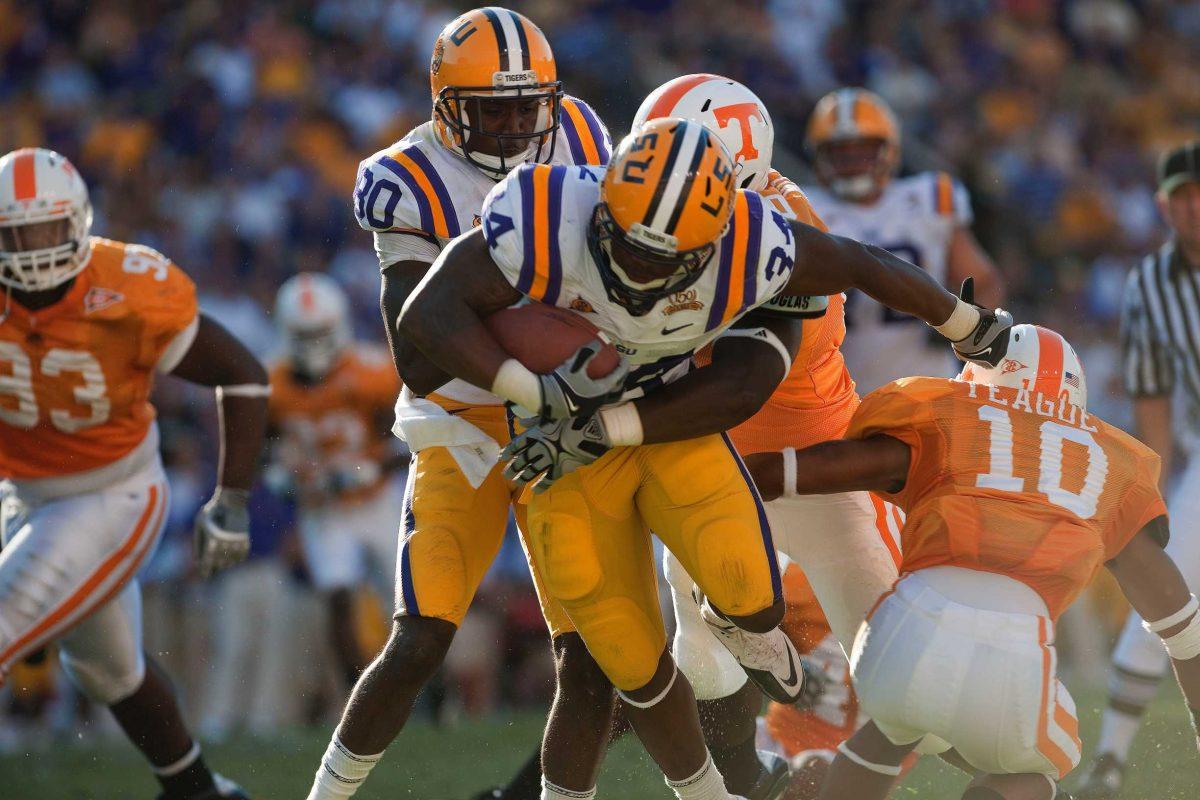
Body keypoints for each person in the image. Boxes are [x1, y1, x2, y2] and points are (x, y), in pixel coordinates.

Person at [398, 117, 1012, 800]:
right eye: (625, 245)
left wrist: (966, 323)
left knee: (853, 642)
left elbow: (754, 372)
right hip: (615, 438)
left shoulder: (762, 245)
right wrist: (529, 388)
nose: (635, 273)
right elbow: (421, 330)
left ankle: (1002, 766)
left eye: (663, 262)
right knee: (635, 651)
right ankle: (737, 778)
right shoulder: (547, 210)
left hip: (701, 431)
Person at [304, 9, 614, 800]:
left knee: (595, 653)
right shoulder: (406, 177)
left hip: (566, 420)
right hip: (464, 424)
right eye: (493, 110)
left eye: (526, 107)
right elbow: (417, 350)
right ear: (446, 105)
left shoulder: (578, 131)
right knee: (419, 639)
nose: (515, 127)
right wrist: (529, 356)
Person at [744, 325, 1200, 800]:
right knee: (1040, 763)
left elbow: (791, 472)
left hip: (901, 633)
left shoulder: (948, 419)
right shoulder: (1108, 470)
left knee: (891, 728)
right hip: (1015, 649)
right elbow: (1183, 630)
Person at [631, 73, 908, 800]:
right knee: (699, 655)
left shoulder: (782, 231)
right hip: (708, 455)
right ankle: (740, 788)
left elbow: (737, 381)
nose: (652, 186)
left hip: (811, 464)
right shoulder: (660, 205)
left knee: (901, 663)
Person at [0, 147, 269, 800]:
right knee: (109, 671)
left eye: (47, 229)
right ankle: (200, 792)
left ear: (79, 223)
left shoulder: (131, 286)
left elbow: (243, 375)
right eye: (16, 234)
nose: (34, 249)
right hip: (21, 493)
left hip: (112, 493)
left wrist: (230, 499)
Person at [1077, 140, 1200, 798]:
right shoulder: (1151, 283)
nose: (1194, 206)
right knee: (1167, 591)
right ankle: (1112, 760)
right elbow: (1151, 390)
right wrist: (1153, 483)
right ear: (1163, 204)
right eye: (1181, 195)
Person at [803, 87, 1004, 393]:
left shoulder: (928, 198)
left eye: (864, 151)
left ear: (890, 150)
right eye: (841, 153)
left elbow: (984, 282)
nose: (854, 162)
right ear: (819, 156)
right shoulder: (804, 207)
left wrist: (962, 326)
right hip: (840, 389)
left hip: (930, 382)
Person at [267, 272, 404, 690]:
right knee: (338, 597)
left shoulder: (373, 371)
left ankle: (435, 695)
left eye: (319, 332)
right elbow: (261, 454)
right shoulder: (271, 385)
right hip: (323, 509)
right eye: (302, 333)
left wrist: (371, 468)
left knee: (407, 601)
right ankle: (357, 695)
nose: (312, 344)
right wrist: (280, 478)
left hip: (379, 501)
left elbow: (408, 441)